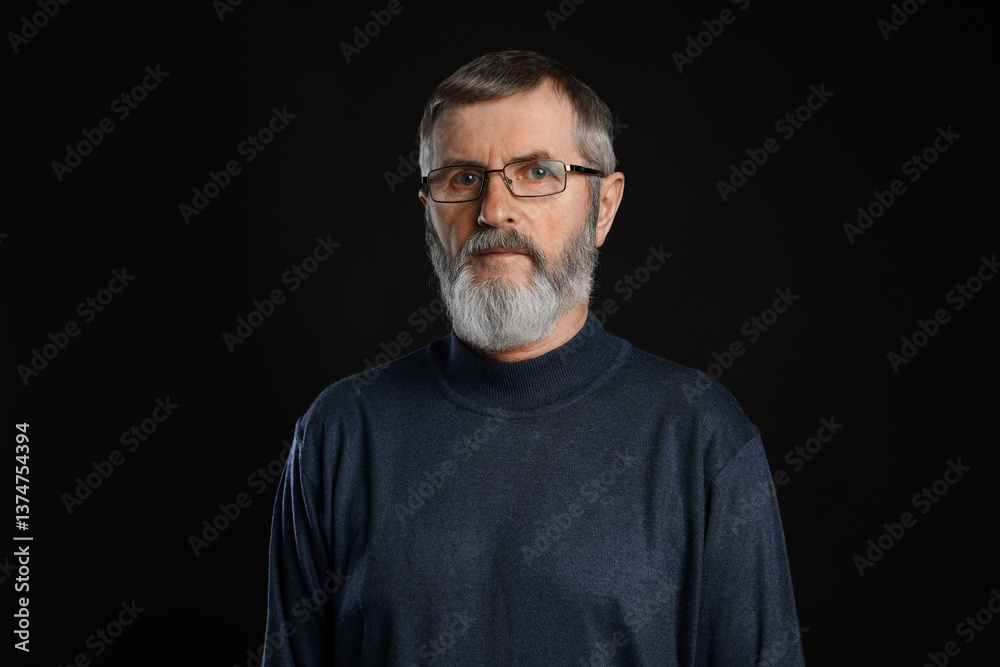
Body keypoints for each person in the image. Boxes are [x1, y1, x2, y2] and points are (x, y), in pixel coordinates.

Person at [263, 49, 806, 666]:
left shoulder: (702, 437)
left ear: (602, 207)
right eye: (463, 178)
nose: (494, 211)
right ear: (429, 212)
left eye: (538, 172)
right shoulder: (339, 435)